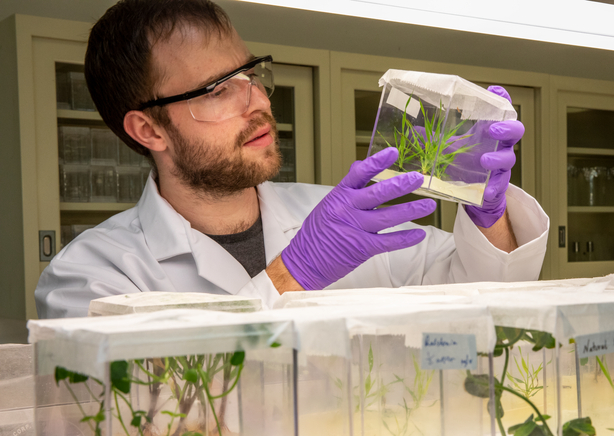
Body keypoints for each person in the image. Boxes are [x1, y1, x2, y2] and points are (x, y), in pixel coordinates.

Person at [35, 0, 549, 319]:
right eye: (218, 91)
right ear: (148, 129)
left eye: (251, 75)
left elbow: (478, 300)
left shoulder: (343, 218)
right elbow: (150, 415)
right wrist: (294, 275)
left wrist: (489, 216)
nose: (258, 102)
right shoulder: (94, 275)